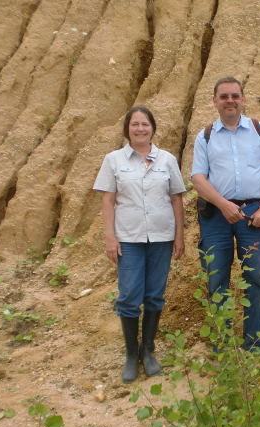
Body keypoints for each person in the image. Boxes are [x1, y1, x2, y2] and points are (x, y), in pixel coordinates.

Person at [93, 106, 186, 383]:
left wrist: (179, 236)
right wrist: (111, 237)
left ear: (153, 128)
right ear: (127, 129)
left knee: (155, 295)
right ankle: (131, 355)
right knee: (129, 297)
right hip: (129, 238)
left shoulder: (167, 160)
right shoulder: (114, 160)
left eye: (145, 124)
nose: (140, 129)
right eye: (135, 124)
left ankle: (148, 350)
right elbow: (108, 200)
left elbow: (176, 199)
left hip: (161, 237)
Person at [191, 77, 260, 352]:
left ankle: (253, 346)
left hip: (253, 213)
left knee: (254, 278)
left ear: (243, 99)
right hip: (217, 216)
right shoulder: (205, 135)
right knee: (216, 278)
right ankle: (222, 346)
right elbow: (197, 178)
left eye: (234, 96)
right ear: (215, 101)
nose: (230, 100)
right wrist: (223, 204)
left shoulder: (258, 130)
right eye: (224, 96)